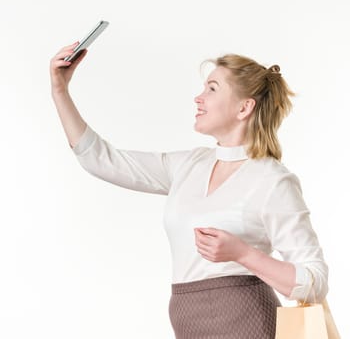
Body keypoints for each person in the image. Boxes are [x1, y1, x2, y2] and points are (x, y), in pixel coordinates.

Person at [50, 43, 329, 339]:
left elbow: (315, 280)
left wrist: (243, 254)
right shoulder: (189, 165)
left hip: (247, 322)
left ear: (244, 107)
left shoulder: (272, 180)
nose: (198, 98)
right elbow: (101, 160)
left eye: (212, 88)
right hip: (188, 323)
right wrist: (60, 91)